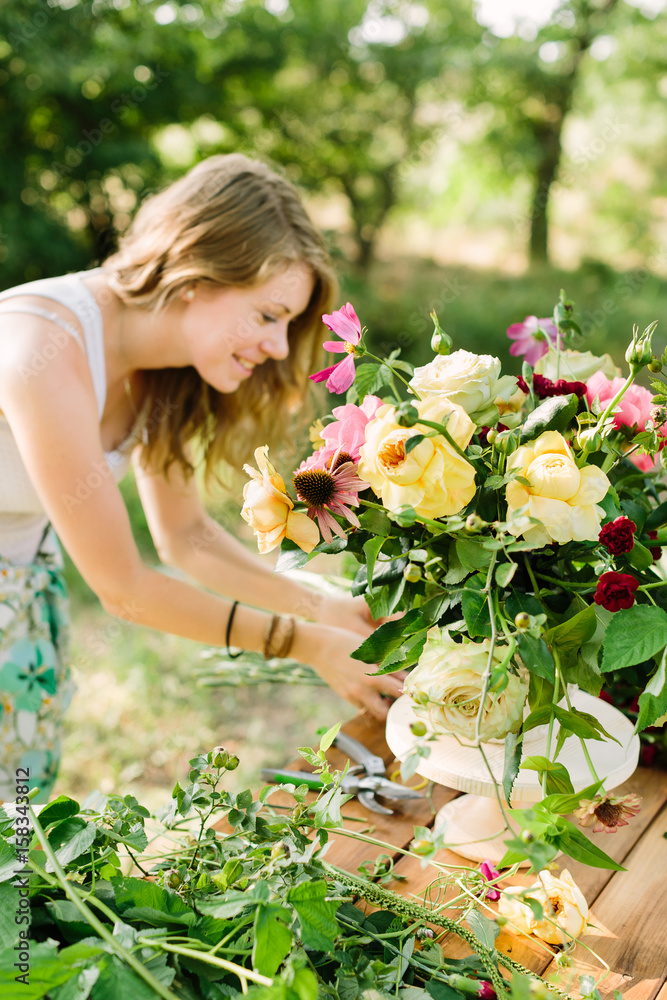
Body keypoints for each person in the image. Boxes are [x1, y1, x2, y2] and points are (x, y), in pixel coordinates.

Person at [0, 154, 403, 802]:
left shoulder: (165, 363)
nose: (278, 347)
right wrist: (305, 644)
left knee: (12, 827)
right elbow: (124, 589)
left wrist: (320, 606)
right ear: (195, 274)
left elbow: (185, 536)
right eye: (268, 314)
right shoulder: (41, 353)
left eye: (288, 324)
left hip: (19, 591)